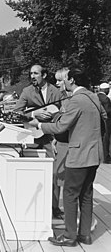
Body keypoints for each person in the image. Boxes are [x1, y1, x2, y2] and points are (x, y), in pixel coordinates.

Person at [29, 67, 105, 246]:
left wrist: (39, 125)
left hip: (79, 155)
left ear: (72, 80)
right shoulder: (93, 97)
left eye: (64, 80)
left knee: (70, 195)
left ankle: (69, 236)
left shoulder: (76, 101)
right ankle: (85, 235)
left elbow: (60, 128)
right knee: (86, 195)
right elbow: (102, 117)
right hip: (94, 154)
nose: (62, 84)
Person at [14, 64, 63, 219]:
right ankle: (30, 205)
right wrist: (35, 113)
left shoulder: (56, 92)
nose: (32, 76)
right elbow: (17, 112)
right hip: (32, 137)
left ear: (44, 75)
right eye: (31, 74)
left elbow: (64, 113)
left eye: (36, 73)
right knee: (30, 171)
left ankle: (54, 207)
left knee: (55, 172)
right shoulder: (27, 91)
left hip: (51, 137)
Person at [97, 83, 111, 163]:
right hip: (106, 121)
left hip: (97, 121)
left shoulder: (96, 96)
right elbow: (108, 111)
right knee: (106, 139)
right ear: (106, 90)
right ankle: (106, 157)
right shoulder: (105, 99)